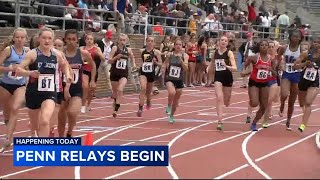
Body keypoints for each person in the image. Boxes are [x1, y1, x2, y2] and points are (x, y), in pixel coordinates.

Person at [15, 27, 72, 138]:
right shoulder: (33, 54)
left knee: (45, 121)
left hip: (50, 92)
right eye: (44, 38)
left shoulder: (56, 54)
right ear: (39, 39)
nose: (47, 41)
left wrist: (68, 75)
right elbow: (18, 70)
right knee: (35, 125)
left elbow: (64, 65)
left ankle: (43, 148)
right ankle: (34, 133)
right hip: (33, 92)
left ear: (52, 40)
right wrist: (30, 73)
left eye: (49, 38)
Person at [58, 29, 96, 137]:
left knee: (72, 112)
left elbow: (93, 66)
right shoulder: (60, 54)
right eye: (69, 39)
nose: (71, 41)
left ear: (77, 41)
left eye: (73, 39)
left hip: (76, 89)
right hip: (61, 88)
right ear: (65, 39)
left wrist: (92, 80)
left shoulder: (83, 54)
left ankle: (69, 132)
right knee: (61, 117)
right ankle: (61, 139)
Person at [0, 28, 29, 151]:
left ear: (26, 39)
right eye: (17, 37)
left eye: (22, 37)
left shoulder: (28, 51)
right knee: (7, 112)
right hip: (5, 85)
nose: (20, 39)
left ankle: (8, 137)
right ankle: (8, 126)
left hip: (20, 85)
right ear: (13, 38)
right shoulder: (8, 50)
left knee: (15, 108)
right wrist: (10, 68)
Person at [242, 39, 277, 131]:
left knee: (264, 106)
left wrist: (270, 69)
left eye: (266, 45)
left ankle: (254, 123)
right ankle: (252, 99)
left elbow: (275, 74)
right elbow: (245, 65)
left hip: (264, 83)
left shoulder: (271, 59)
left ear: (268, 47)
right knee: (254, 103)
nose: (264, 47)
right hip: (254, 82)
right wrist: (245, 71)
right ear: (259, 47)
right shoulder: (254, 57)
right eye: (262, 45)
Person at [208, 35, 237, 130]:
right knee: (219, 98)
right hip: (218, 77)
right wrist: (208, 70)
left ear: (227, 43)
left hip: (228, 77)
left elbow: (235, 68)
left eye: (225, 40)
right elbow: (212, 64)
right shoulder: (215, 53)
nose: (223, 42)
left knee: (226, 101)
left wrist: (226, 66)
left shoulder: (229, 53)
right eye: (222, 40)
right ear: (219, 42)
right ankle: (220, 121)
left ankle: (227, 100)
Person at [277, 30, 304, 130]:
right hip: (287, 73)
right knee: (284, 93)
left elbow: (306, 59)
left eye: (298, 37)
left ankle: (288, 120)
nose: (296, 38)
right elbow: (278, 57)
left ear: (300, 38)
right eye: (294, 36)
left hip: (297, 74)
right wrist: (280, 64)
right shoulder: (284, 48)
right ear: (290, 37)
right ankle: (282, 104)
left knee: (292, 100)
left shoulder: (302, 49)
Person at [293, 36, 320, 132]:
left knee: (308, 102)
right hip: (303, 80)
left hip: (315, 81)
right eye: (315, 42)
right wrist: (305, 64)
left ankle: (303, 125)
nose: (316, 44)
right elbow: (294, 67)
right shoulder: (305, 54)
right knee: (302, 103)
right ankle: (305, 114)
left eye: (319, 42)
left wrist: (316, 67)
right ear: (312, 43)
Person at [108, 33, 136, 117]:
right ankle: (115, 101)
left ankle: (116, 109)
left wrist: (134, 64)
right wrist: (116, 57)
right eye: (121, 40)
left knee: (120, 89)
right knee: (115, 92)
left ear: (126, 41)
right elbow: (109, 61)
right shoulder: (114, 48)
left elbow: (132, 57)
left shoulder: (128, 50)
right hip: (114, 72)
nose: (122, 42)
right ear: (118, 41)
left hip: (123, 73)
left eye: (124, 40)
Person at [161, 38, 189, 123]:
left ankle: (172, 115)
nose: (178, 46)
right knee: (171, 92)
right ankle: (169, 105)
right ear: (174, 45)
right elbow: (165, 63)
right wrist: (163, 69)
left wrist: (182, 62)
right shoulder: (170, 54)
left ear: (182, 46)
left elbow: (186, 68)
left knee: (176, 101)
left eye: (180, 45)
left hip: (179, 79)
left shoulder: (185, 56)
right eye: (177, 44)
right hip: (170, 78)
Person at [137, 36, 162, 117]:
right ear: (146, 42)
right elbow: (141, 62)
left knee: (148, 93)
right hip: (143, 72)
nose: (150, 42)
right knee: (143, 88)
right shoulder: (142, 51)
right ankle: (140, 108)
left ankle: (148, 101)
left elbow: (161, 64)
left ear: (154, 43)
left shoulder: (156, 52)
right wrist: (138, 66)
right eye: (148, 41)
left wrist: (156, 62)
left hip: (151, 73)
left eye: (152, 41)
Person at [80, 32, 104, 113]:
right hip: (84, 70)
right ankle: (83, 105)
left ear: (93, 41)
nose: (89, 41)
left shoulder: (97, 49)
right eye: (88, 39)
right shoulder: (81, 49)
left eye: (91, 39)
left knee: (92, 89)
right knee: (85, 87)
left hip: (93, 70)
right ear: (85, 40)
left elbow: (103, 59)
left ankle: (88, 104)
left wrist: (99, 54)